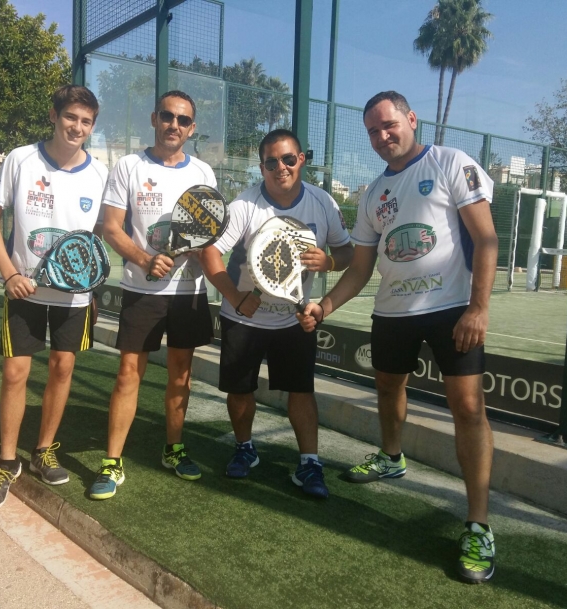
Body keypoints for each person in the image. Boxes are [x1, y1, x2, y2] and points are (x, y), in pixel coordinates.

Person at [299, 91, 499, 582]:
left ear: (411, 119)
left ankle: (478, 524)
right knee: (388, 388)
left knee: (468, 409)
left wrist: (478, 306)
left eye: (389, 125)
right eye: (372, 130)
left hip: (452, 309)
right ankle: (392, 458)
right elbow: (361, 268)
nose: (382, 136)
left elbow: (487, 239)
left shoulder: (452, 163)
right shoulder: (371, 195)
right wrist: (325, 305)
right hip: (393, 313)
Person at [200, 129, 353, 499]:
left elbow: (348, 255)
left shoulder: (322, 203)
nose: (280, 168)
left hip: (294, 319)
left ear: (301, 160)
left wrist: (329, 260)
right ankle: (245, 448)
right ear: (262, 166)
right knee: (240, 391)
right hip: (245, 318)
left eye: (288, 159)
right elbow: (210, 254)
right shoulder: (244, 206)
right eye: (272, 162)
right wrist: (236, 297)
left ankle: (309, 463)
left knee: (301, 391)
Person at [0, 85, 108, 511]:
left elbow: (103, 235)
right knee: (15, 373)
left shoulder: (100, 173)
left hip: (74, 298)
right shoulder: (21, 159)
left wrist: (94, 282)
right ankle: (8, 461)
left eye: (86, 121)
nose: (77, 127)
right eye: (71, 117)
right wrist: (10, 273)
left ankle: (44, 450)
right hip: (25, 290)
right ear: (54, 116)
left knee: (62, 367)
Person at [90, 90, 217, 500]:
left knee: (181, 374)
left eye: (183, 120)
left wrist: (199, 251)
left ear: (191, 128)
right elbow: (111, 227)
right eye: (167, 116)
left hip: (189, 292)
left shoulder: (203, 172)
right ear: (154, 118)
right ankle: (112, 463)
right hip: (142, 290)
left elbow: (209, 232)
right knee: (129, 373)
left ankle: (174, 449)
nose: (174, 125)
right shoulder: (128, 166)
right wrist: (145, 259)